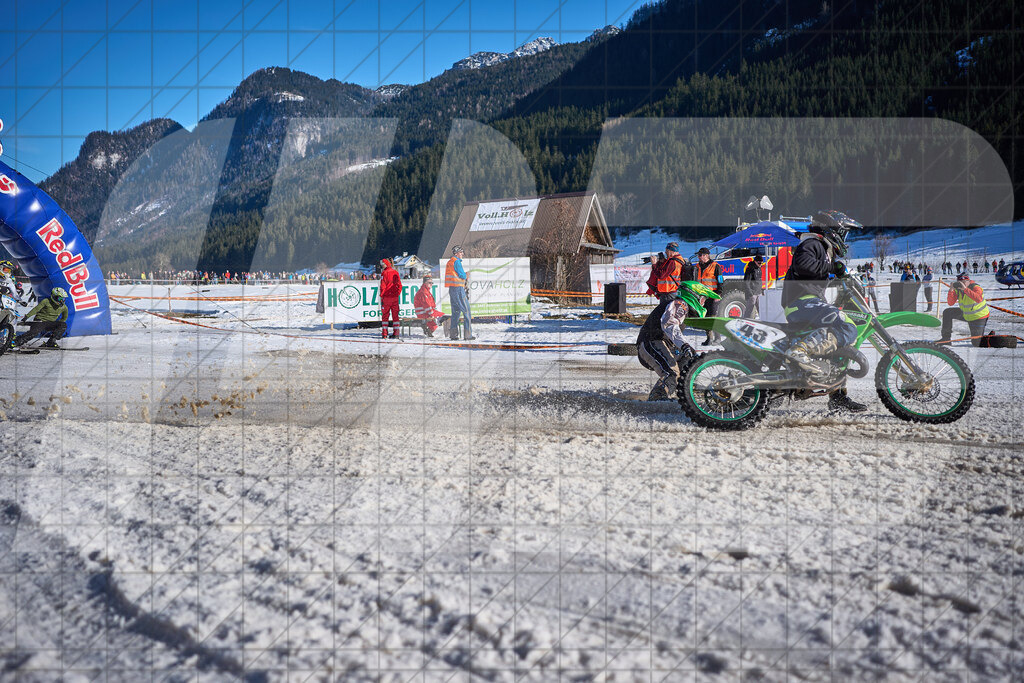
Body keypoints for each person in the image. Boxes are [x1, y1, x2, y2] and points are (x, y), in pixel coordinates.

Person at [781, 209, 867, 413]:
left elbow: (818, 273)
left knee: (836, 346)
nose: (843, 238)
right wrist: (832, 269)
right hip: (801, 302)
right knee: (846, 325)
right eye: (842, 232)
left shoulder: (824, 249)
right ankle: (799, 351)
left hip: (809, 301)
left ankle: (837, 397)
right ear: (831, 229)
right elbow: (803, 265)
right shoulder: (812, 243)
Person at [637, 282, 717, 401]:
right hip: (651, 342)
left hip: (661, 344)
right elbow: (669, 324)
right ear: (694, 295)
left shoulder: (681, 306)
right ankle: (656, 400)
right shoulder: (680, 304)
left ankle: (684, 390)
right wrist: (684, 345)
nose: (703, 303)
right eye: (702, 299)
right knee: (671, 373)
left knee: (690, 361)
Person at [939, 273, 989, 345]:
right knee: (947, 312)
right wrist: (951, 290)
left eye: (964, 282)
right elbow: (950, 303)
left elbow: (978, 299)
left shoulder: (975, 287)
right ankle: (946, 339)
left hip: (979, 317)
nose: (962, 284)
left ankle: (991, 337)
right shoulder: (958, 290)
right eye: (960, 282)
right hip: (966, 314)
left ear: (969, 281)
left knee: (976, 343)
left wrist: (965, 289)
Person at [445, 245, 474, 340]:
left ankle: (453, 334)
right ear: (456, 253)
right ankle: (468, 335)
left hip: (452, 289)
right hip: (458, 289)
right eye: (461, 252)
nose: (462, 254)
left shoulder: (450, 262)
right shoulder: (457, 262)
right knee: (467, 311)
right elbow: (461, 275)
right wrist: (466, 275)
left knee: (456, 312)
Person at [695, 247, 723, 345]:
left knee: (713, 317)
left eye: (700, 255)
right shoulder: (697, 267)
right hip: (702, 297)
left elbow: (720, 281)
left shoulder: (715, 266)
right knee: (705, 318)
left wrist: (718, 294)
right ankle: (709, 338)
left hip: (713, 295)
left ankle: (718, 338)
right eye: (698, 255)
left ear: (706, 255)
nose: (698, 257)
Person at [379, 258, 401, 340]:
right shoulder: (396, 272)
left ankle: (385, 334)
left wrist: (382, 296)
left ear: (386, 264)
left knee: (385, 316)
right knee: (395, 316)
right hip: (394, 298)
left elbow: (382, 286)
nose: (382, 266)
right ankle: (396, 333)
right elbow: (400, 285)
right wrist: (397, 294)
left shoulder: (384, 273)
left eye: (382, 264)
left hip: (386, 298)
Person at [742, 254, 764, 318]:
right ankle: (745, 320)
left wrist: (761, 291)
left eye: (761, 263)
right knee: (749, 309)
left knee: (761, 309)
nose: (760, 264)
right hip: (753, 293)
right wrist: (750, 293)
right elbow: (746, 281)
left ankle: (762, 321)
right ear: (755, 261)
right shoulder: (750, 269)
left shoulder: (759, 269)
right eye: (759, 263)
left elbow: (759, 281)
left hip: (758, 292)